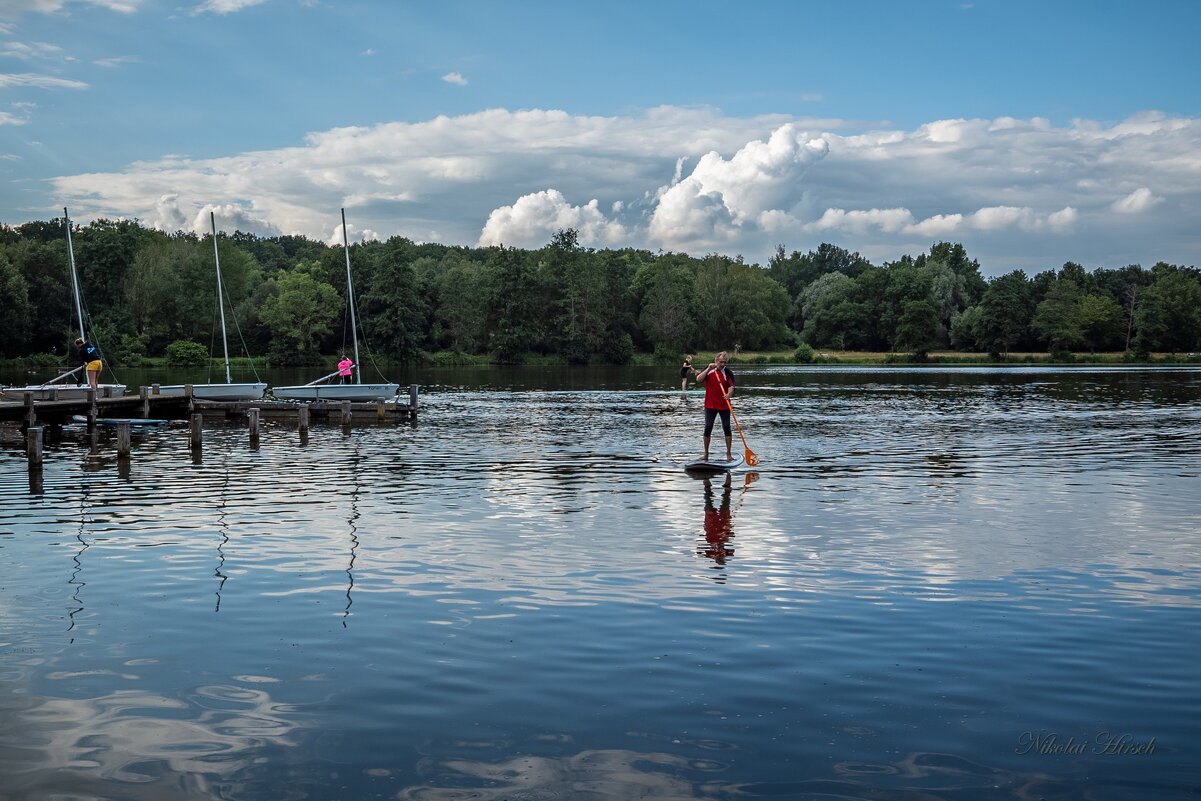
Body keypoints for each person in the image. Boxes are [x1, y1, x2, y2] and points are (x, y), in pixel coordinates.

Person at [695, 351, 734, 462]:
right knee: (708, 427)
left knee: (726, 427)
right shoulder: (709, 370)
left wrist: (729, 394)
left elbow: (731, 387)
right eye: (720, 362)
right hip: (710, 405)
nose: (722, 364)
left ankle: (729, 454)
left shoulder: (728, 372)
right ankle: (706, 454)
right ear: (716, 360)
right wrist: (708, 368)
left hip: (724, 405)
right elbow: (699, 379)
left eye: (724, 362)